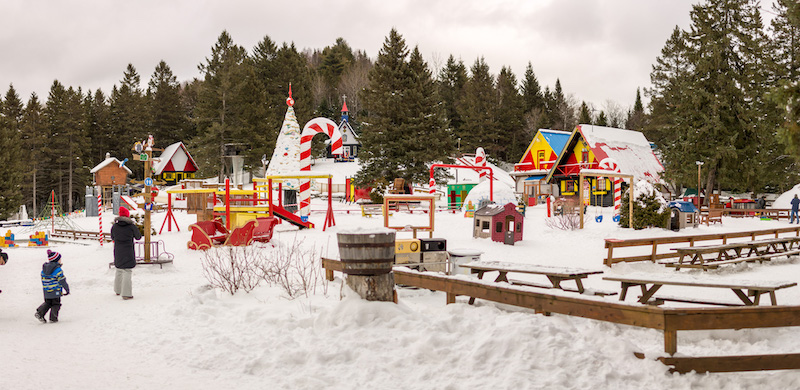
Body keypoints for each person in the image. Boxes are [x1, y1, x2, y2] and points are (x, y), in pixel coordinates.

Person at [111, 206, 141, 300]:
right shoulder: (131, 226)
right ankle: (126, 293)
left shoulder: (115, 226)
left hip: (118, 251)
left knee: (119, 269)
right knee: (127, 271)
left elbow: (112, 237)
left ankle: (118, 290)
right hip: (128, 251)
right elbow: (138, 237)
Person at [35, 250, 70, 323]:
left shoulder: (44, 270)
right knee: (56, 304)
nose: (61, 260)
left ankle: (40, 313)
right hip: (55, 290)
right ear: (56, 260)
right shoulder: (58, 270)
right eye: (60, 259)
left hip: (46, 290)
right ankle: (53, 318)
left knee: (48, 303)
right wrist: (67, 289)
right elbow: (62, 280)